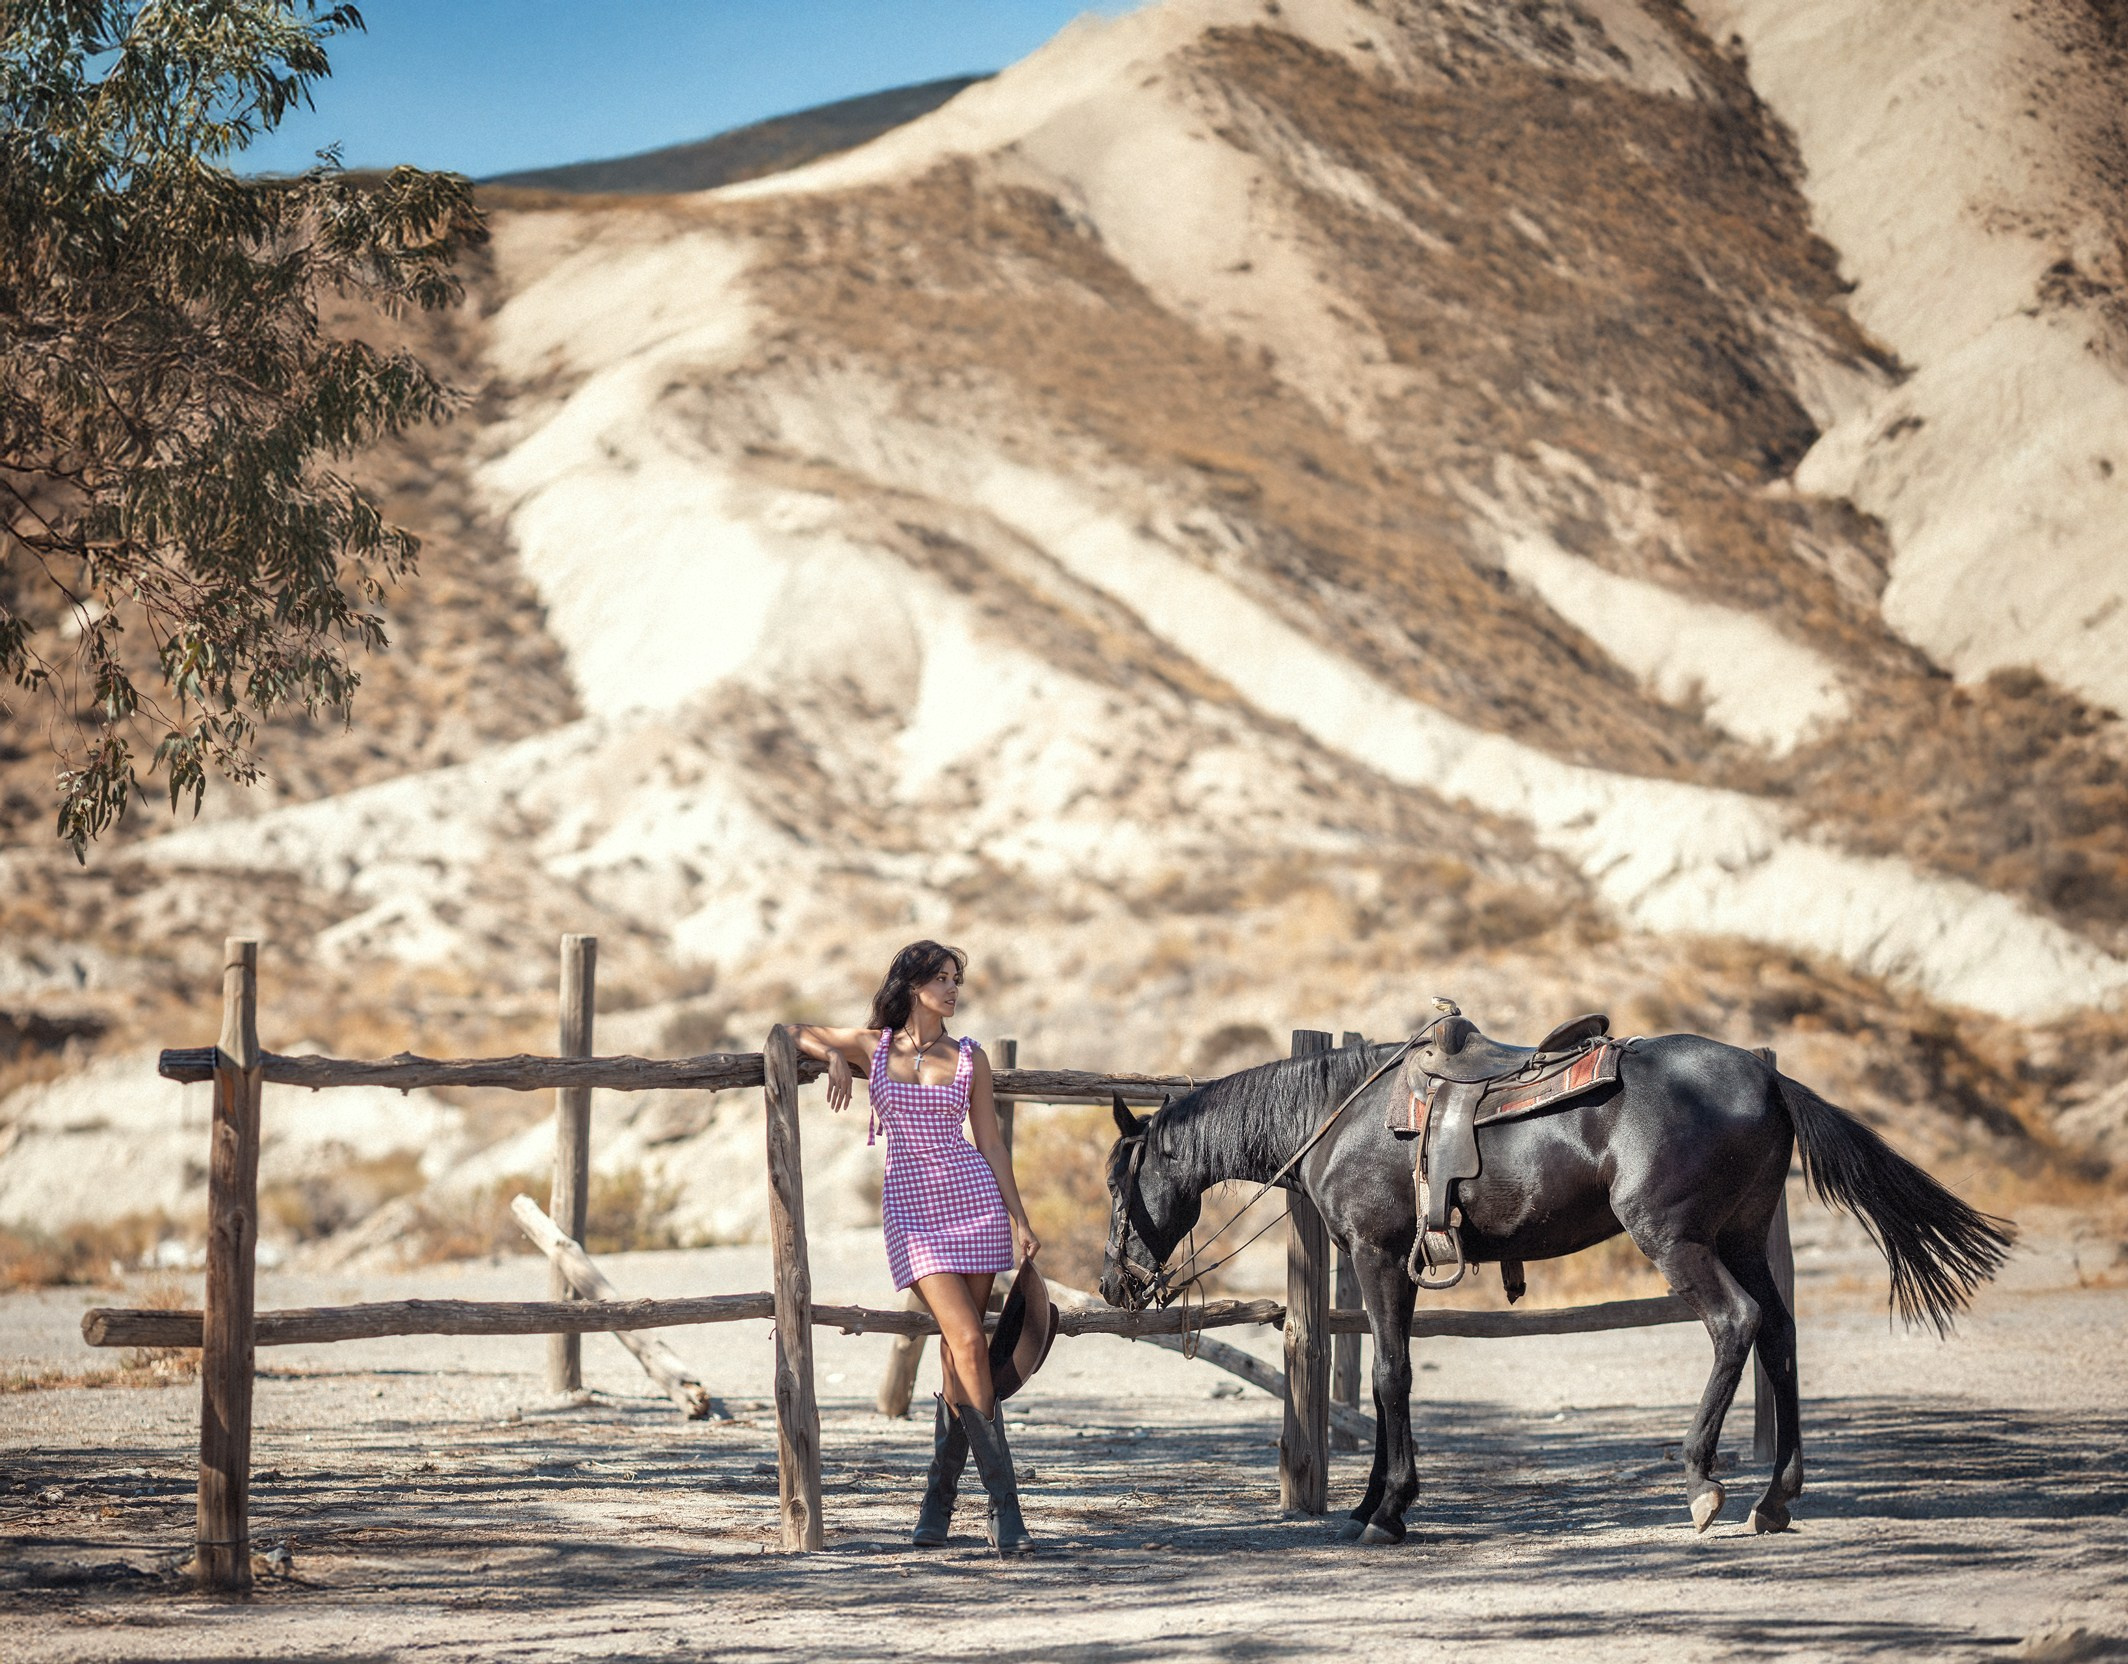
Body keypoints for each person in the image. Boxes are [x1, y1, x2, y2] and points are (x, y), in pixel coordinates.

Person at [793, 940, 1041, 1556]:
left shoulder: (970, 1057)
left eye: (957, 979)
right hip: (913, 1212)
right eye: (941, 978)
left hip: (975, 1206)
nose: (953, 989)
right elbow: (789, 1030)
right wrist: (833, 1059)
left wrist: (1019, 1217)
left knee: (964, 1359)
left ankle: (937, 1507)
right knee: (965, 1341)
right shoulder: (875, 1047)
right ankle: (1005, 1510)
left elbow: (989, 1141)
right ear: (912, 986)